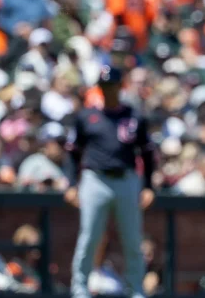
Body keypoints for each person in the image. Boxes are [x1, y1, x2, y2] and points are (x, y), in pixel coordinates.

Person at [66, 65, 156, 298]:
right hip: (94, 179)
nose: (108, 90)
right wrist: (70, 183)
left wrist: (148, 186)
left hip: (126, 179)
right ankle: (80, 289)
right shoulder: (87, 116)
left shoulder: (134, 116)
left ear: (120, 86)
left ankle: (135, 289)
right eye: (104, 86)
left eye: (112, 85)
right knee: (89, 237)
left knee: (133, 239)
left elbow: (147, 153)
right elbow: (73, 153)